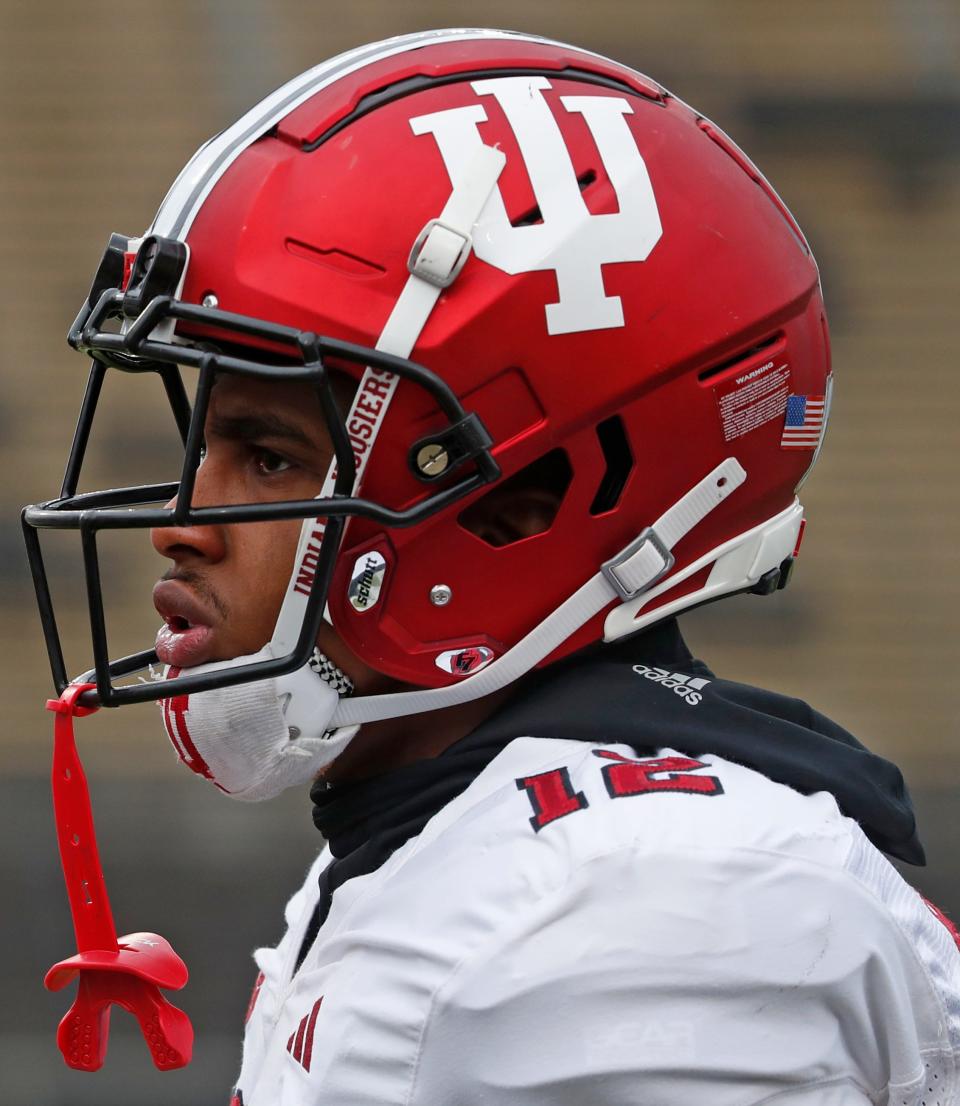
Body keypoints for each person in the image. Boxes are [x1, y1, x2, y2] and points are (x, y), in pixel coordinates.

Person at [23, 28, 960, 1106]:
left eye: (271, 454)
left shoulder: (640, 902)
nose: (183, 523)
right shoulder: (458, 832)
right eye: (207, 448)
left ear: (528, 500)